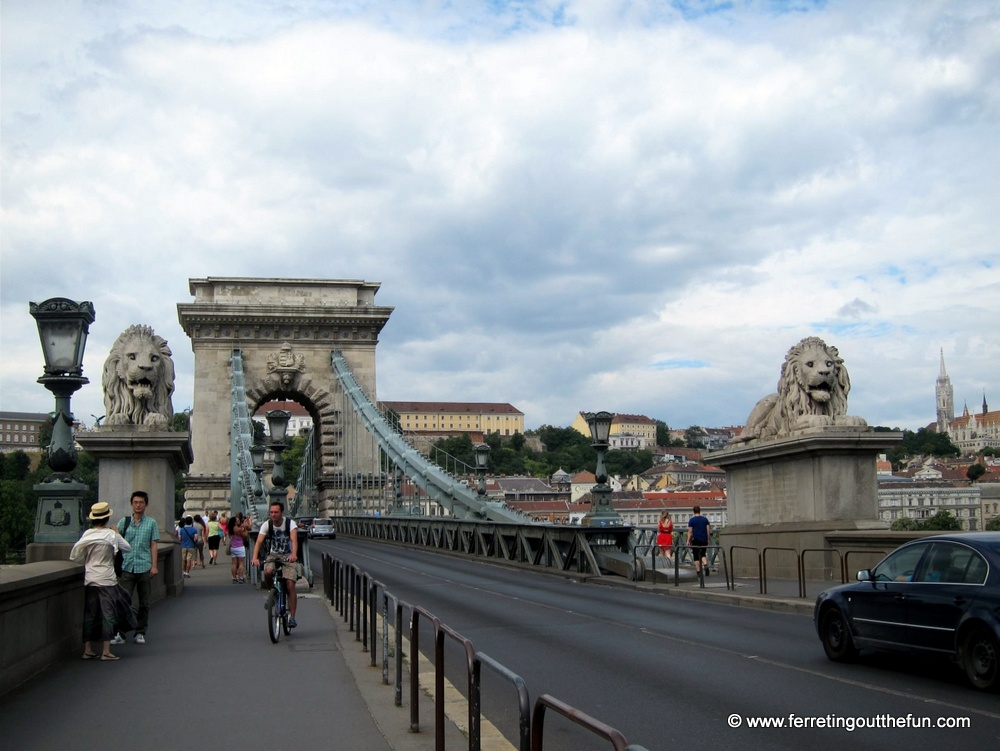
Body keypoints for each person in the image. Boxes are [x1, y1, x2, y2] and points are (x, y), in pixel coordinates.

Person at [70, 502, 137, 660]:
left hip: (90, 579)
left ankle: (87, 649)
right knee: (108, 614)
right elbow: (127, 548)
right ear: (107, 518)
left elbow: (78, 554)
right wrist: (117, 533)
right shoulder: (110, 535)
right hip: (107, 579)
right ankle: (106, 651)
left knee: (90, 614)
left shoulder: (87, 534)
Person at [113, 490, 160, 646]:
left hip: (144, 566)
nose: (138, 505)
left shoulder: (152, 523)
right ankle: (121, 633)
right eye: (135, 502)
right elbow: (116, 542)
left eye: (141, 502)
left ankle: (140, 632)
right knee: (123, 601)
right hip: (127, 566)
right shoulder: (124, 522)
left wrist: (154, 565)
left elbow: (153, 545)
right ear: (132, 504)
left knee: (144, 602)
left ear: (146, 504)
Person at [252, 500, 300, 628]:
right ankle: (272, 593)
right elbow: (258, 542)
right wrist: (255, 557)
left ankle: (293, 618)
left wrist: (294, 554)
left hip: (288, 556)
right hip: (273, 555)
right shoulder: (267, 525)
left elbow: (294, 541)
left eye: (276, 512)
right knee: (267, 572)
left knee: (290, 584)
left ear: (281, 513)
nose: (273, 515)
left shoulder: (290, 523)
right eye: (271, 512)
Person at [686, 505, 711, 577]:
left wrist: (688, 540)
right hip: (704, 539)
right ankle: (705, 565)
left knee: (696, 556)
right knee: (703, 554)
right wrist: (708, 539)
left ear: (693, 511)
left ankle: (699, 572)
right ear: (700, 511)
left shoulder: (692, 520)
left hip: (696, 540)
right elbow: (708, 530)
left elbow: (690, 531)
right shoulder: (705, 519)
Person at [228, 514, 247, 583]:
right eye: (237, 520)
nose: (239, 521)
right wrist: (245, 529)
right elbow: (245, 536)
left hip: (233, 547)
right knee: (241, 563)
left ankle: (234, 578)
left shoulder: (231, 529)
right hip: (240, 547)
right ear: (235, 522)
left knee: (234, 563)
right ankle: (240, 577)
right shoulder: (238, 529)